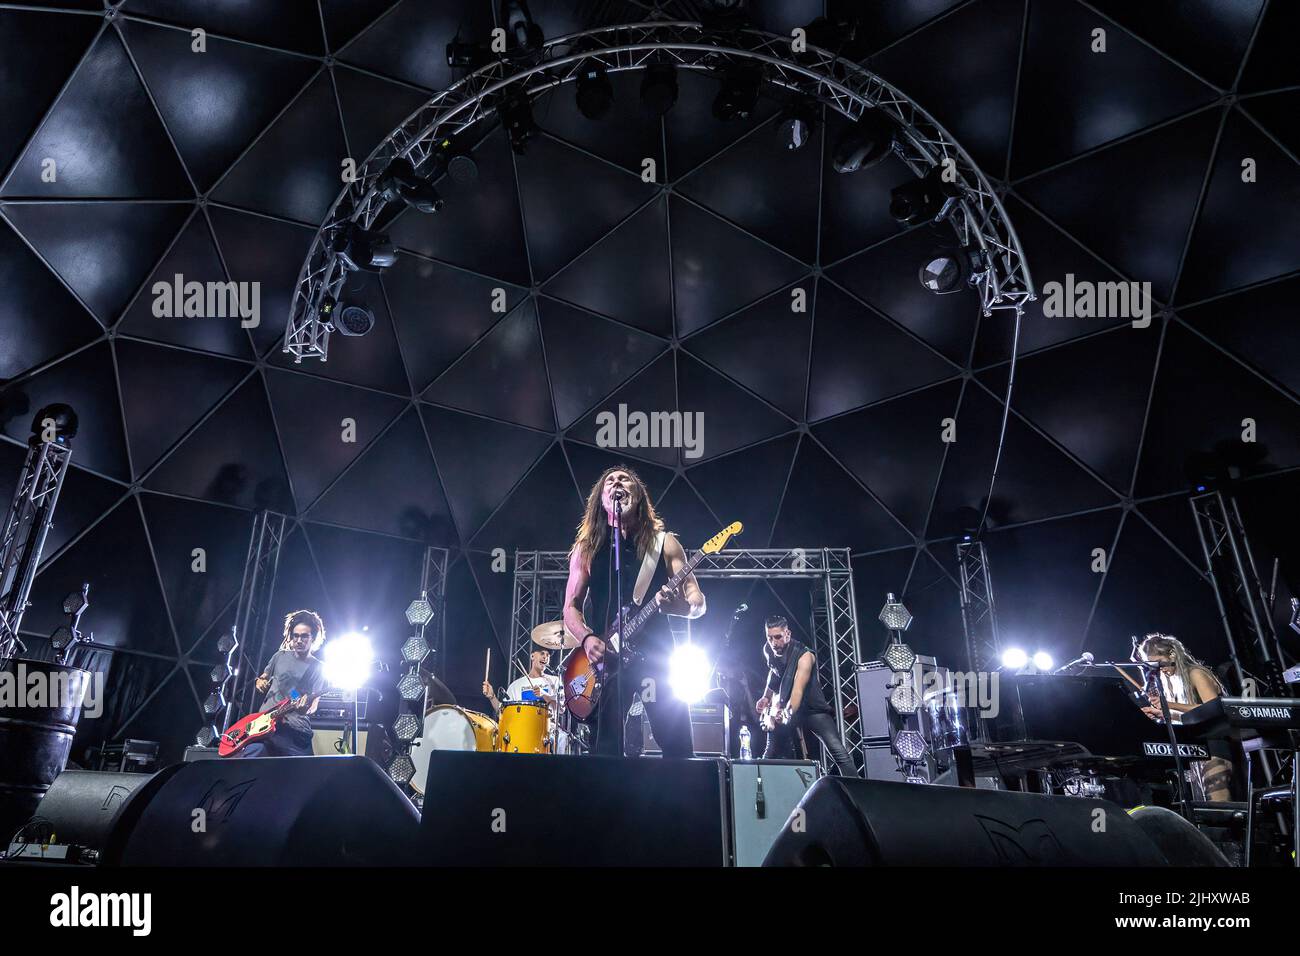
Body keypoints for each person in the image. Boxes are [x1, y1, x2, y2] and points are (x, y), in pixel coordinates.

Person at [562, 465, 705, 758]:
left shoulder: (664, 542)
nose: (617, 483)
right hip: (609, 663)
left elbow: (698, 604)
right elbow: (570, 607)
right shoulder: (586, 548)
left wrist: (676, 605)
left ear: (639, 496)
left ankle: (682, 802)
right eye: (610, 481)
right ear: (601, 500)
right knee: (604, 751)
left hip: (657, 658)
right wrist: (588, 639)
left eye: (624, 479)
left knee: (678, 747)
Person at [1135, 632, 1234, 802]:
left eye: (1160, 663)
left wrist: (1169, 705)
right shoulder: (1171, 680)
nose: (1160, 669)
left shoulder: (1195, 673)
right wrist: (1163, 714)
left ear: (1172, 654)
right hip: (1195, 746)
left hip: (1215, 742)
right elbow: (1190, 717)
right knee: (1200, 806)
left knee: (1219, 802)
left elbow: (1213, 710)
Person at [758, 615, 858, 776]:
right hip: (784, 705)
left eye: (778, 637)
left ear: (788, 634)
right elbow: (774, 673)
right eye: (770, 638)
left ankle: (856, 794)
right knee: (770, 751)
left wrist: (784, 713)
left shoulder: (805, 656)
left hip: (811, 709)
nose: (774, 643)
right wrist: (766, 697)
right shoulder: (768, 649)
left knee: (839, 754)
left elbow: (798, 690)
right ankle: (756, 786)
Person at [239, 609, 329, 758]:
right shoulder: (279, 656)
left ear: (313, 638)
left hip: (293, 730)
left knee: (298, 775)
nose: (299, 640)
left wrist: (303, 708)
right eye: (296, 636)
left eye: (304, 636)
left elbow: (313, 706)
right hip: (264, 723)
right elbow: (263, 677)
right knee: (248, 758)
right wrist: (260, 682)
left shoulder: (317, 667)